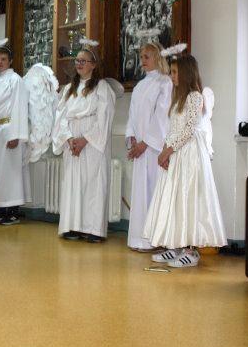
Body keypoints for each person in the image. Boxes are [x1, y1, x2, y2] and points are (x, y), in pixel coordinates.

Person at [143, 54, 226, 267]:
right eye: (171, 72)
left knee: (188, 199)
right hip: (176, 152)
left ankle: (191, 250)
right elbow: (173, 128)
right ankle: (176, 246)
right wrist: (164, 149)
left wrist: (167, 151)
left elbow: (189, 130)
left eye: (174, 72)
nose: (171, 76)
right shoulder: (178, 98)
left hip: (189, 156)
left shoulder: (195, 97)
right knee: (175, 199)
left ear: (186, 73)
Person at [51, 44, 116, 243]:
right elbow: (60, 117)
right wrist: (69, 139)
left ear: (93, 65)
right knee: (73, 183)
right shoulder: (69, 89)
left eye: (84, 60)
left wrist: (85, 139)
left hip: (92, 141)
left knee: (93, 184)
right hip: (72, 140)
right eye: (77, 60)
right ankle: (73, 226)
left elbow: (104, 117)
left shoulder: (101, 87)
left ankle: (94, 229)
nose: (79, 64)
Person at [124, 43, 171, 252]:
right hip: (140, 148)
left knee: (154, 190)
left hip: (154, 149)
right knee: (141, 193)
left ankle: (155, 239)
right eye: (141, 56)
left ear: (157, 57)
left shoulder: (165, 83)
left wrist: (146, 143)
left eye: (147, 56)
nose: (142, 60)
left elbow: (162, 116)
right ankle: (139, 238)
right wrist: (132, 137)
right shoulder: (141, 85)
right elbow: (133, 114)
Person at [0, 42, 30, 226]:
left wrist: (15, 134)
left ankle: (13, 211)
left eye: (3, 59)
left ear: (10, 61)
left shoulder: (15, 80)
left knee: (10, 171)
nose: (0, 62)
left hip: (9, 130)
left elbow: (19, 107)